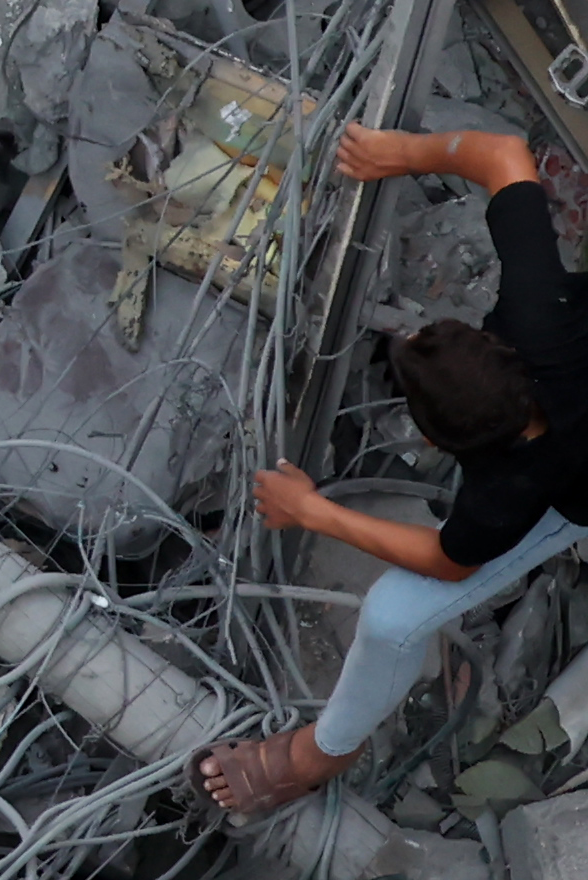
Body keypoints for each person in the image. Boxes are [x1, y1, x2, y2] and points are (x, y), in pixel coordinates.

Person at [201, 123, 588, 812]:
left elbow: (446, 562)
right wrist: (403, 152)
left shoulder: (510, 492)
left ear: (438, 444)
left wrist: (313, 512)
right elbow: (503, 153)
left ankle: (321, 754)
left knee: (391, 616)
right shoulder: (541, 312)